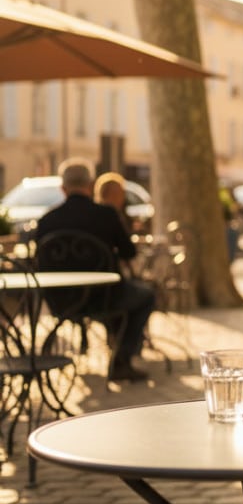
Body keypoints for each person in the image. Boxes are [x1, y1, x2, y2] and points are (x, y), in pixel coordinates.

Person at [36, 158, 155, 382]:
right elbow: (130, 253)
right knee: (145, 295)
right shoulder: (106, 215)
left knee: (126, 295)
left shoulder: (46, 220)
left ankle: (115, 345)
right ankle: (122, 359)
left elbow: (39, 263)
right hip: (105, 297)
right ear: (91, 185)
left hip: (60, 301)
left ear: (62, 188)